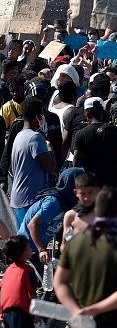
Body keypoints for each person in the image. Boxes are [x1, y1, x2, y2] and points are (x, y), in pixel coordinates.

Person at [54, 187, 117, 328]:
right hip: (108, 327)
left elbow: (59, 282)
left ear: (96, 210)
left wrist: (76, 310)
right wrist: (93, 310)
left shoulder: (75, 242)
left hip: (77, 327)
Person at [19, 167, 84, 275]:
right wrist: (42, 250)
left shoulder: (65, 203)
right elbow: (32, 224)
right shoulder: (53, 202)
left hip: (36, 249)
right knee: (36, 284)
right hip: (27, 249)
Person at [10, 97, 56, 229]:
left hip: (18, 196)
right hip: (30, 198)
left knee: (23, 242)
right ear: (37, 116)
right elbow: (50, 167)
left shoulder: (19, 136)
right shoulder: (35, 138)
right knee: (32, 244)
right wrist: (50, 150)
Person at [72, 97, 117, 190]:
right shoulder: (115, 131)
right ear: (103, 112)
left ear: (87, 114)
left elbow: (76, 164)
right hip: (110, 187)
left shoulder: (81, 134)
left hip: (89, 188)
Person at [0, 235, 38, 328]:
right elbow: (32, 294)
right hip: (22, 314)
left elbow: (4, 291)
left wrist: (1, 312)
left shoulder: (8, 270)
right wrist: (36, 313)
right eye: (28, 245)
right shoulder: (28, 270)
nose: (30, 247)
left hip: (7, 313)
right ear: (23, 253)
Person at [61, 172, 100, 252]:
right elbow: (64, 244)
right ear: (76, 193)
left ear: (97, 190)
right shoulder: (70, 216)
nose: (86, 198)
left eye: (90, 193)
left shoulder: (103, 214)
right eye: (83, 194)